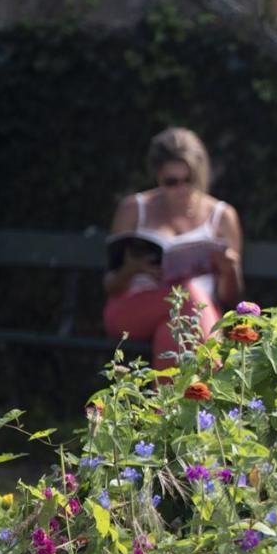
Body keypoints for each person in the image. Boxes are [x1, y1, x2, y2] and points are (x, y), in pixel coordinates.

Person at [103, 127, 243, 371]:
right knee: (187, 295)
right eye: (171, 181)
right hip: (134, 309)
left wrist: (229, 270)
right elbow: (110, 286)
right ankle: (214, 375)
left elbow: (230, 297)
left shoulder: (222, 216)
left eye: (188, 180)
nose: (181, 189)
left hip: (193, 317)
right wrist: (133, 269)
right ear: (157, 176)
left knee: (172, 331)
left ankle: (166, 409)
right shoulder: (134, 209)